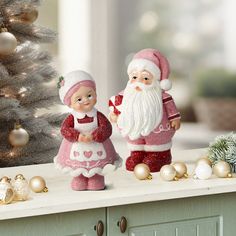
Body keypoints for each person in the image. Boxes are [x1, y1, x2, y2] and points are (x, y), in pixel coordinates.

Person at [109, 49, 181, 172]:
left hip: (158, 132)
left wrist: (175, 118)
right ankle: (137, 153)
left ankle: (159, 156)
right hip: (133, 129)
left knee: (156, 143)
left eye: (145, 78)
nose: (139, 82)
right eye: (135, 77)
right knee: (135, 140)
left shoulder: (162, 97)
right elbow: (115, 106)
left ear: (156, 80)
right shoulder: (124, 95)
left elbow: (171, 108)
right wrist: (114, 114)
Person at [55, 70, 121, 190]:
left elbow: (107, 128)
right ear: (70, 103)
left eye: (89, 95)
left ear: (95, 95)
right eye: (79, 99)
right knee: (78, 170)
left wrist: (96, 135)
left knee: (97, 170)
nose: (85, 100)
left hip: (98, 147)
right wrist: (77, 136)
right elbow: (64, 129)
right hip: (76, 148)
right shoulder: (72, 118)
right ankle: (79, 179)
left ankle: (96, 178)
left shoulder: (98, 115)